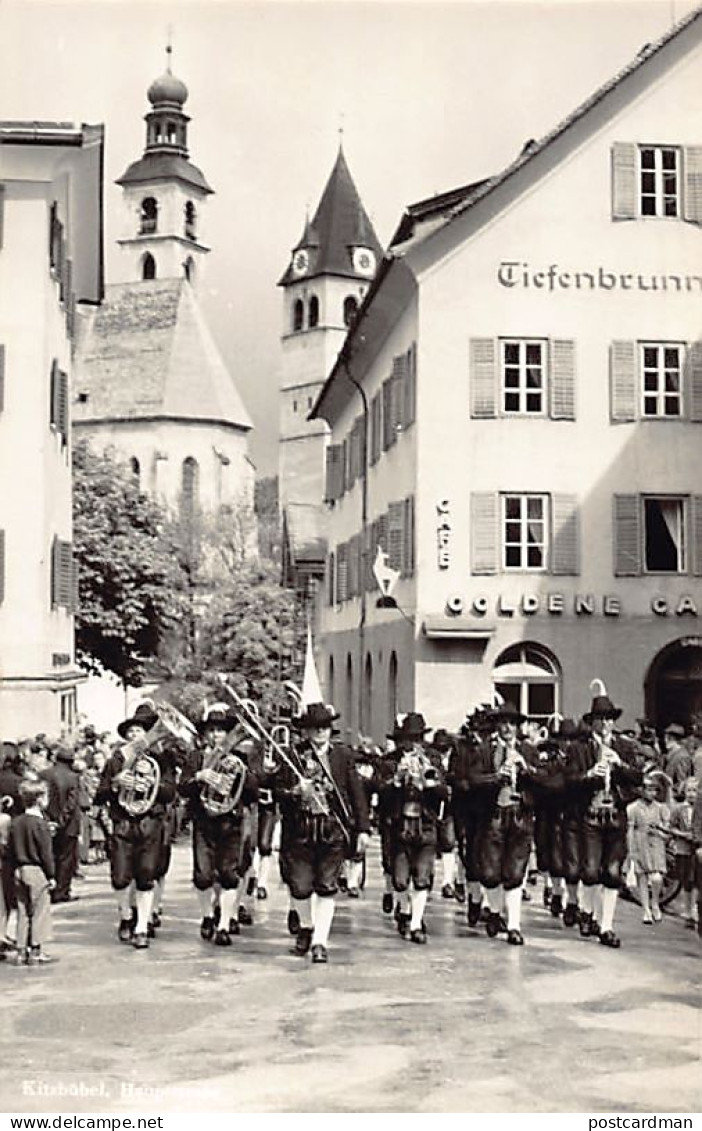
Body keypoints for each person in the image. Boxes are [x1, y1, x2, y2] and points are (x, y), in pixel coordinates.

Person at [276, 702, 370, 963]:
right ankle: (306, 925)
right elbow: (277, 792)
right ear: (306, 731)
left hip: (332, 830)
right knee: (301, 887)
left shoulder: (342, 755)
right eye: (315, 728)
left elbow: (356, 793)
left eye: (325, 727)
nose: (321, 732)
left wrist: (363, 828)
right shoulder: (293, 756)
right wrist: (296, 791)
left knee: (327, 886)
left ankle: (320, 942)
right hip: (301, 830)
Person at [94, 702, 177, 950]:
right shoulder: (117, 760)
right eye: (130, 732)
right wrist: (117, 784)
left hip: (150, 823)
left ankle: (141, 926)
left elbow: (170, 793)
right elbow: (100, 794)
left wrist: (152, 782)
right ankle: (126, 917)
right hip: (123, 824)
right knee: (120, 878)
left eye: (139, 731)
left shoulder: (161, 760)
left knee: (146, 875)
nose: (134, 735)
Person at [566, 684, 643, 948]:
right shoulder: (579, 748)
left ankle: (606, 926)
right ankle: (587, 910)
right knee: (589, 870)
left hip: (615, 814)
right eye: (601, 719)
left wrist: (619, 764)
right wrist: (590, 775)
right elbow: (569, 781)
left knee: (612, 872)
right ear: (593, 722)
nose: (606, 724)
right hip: (590, 814)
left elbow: (638, 779)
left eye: (610, 719)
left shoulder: (625, 745)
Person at [179, 703, 259, 946]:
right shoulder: (196, 758)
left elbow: (254, 791)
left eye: (221, 731)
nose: (216, 736)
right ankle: (206, 916)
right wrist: (198, 778)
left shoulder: (240, 758)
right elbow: (182, 788)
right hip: (204, 822)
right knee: (203, 876)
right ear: (205, 734)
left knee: (228, 875)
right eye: (211, 731)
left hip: (231, 822)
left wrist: (240, 776)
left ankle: (224, 924)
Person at [469, 701, 541, 945]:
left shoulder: (529, 750)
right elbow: (473, 780)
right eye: (503, 723)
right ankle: (495, 910)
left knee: (515, 872)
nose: (507, 728)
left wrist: (526, 769)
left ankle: (514, 925)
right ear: (497, 726)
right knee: (489, 873)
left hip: (520, 815)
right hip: (494, 816)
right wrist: (496, 777)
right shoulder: (485, 751)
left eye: (512, 723)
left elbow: (547, 782)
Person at [383, 712, 448, 944]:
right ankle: (403, 907)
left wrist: (428, 782)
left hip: (426, 823)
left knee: (422, 877)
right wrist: (398, 779)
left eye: (417, 738)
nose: (412, 744)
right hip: (399, 824)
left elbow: (445, 793)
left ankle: (416, 923)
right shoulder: (390, 761)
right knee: (400, 879)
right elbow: (379, 792)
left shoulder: (433, 759)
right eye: (408, 739)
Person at [7, 778, 56, 965]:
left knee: (22, 911)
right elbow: (46, 854)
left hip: (19, 870)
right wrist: (51, 875)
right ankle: (36, 950)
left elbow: (10, 850)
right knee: (39, 911)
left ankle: (21, 950)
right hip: (37, 871)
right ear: (40, 798)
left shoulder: (16, 822)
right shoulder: (40, 824)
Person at [626, 775, 670, 924]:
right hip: (640, 843)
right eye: (649, 790)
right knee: (642, 877)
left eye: (655, 790)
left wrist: (660, 832)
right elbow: (630, 829)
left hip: (656, 843)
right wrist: (631, 849)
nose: (652, 793)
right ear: (642, 791)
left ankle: (655, 902)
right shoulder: (633, 808)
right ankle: (645, 909)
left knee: (657, 877)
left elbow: (667, 829)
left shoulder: (661, 808)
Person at [42, 743, 80, 903]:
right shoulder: (73, 777)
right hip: (68, 825)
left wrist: (49, 820)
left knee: (50, 856)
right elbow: (71, 804)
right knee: (66, 859)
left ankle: (49, 889)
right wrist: (61, 822)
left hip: (46, 822)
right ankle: (62, 891)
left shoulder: (43, 774)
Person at [427, 728, 459, 899]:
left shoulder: (455, 759)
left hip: (449, 808)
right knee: (433, 843)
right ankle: (430, 876)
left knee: (448, 844)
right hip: (434, 806)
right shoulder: (432, 760)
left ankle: (447, 881)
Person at [668, 777, 699, 928]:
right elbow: (671, 827)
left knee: (697, 880)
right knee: (686, 880)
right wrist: (681, 834)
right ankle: (687, 909)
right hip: (684, 848)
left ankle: (694, 909)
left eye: (695, 790)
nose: (692, 794)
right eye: (689, 790)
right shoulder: (679, 809)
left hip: (697, 848)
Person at [663, 724, 693, 798]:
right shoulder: (672, 754)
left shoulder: (682, 756)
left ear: (671, 738)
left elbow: (682, 782)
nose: (665, 741)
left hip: (674, 798)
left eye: (666, 738)